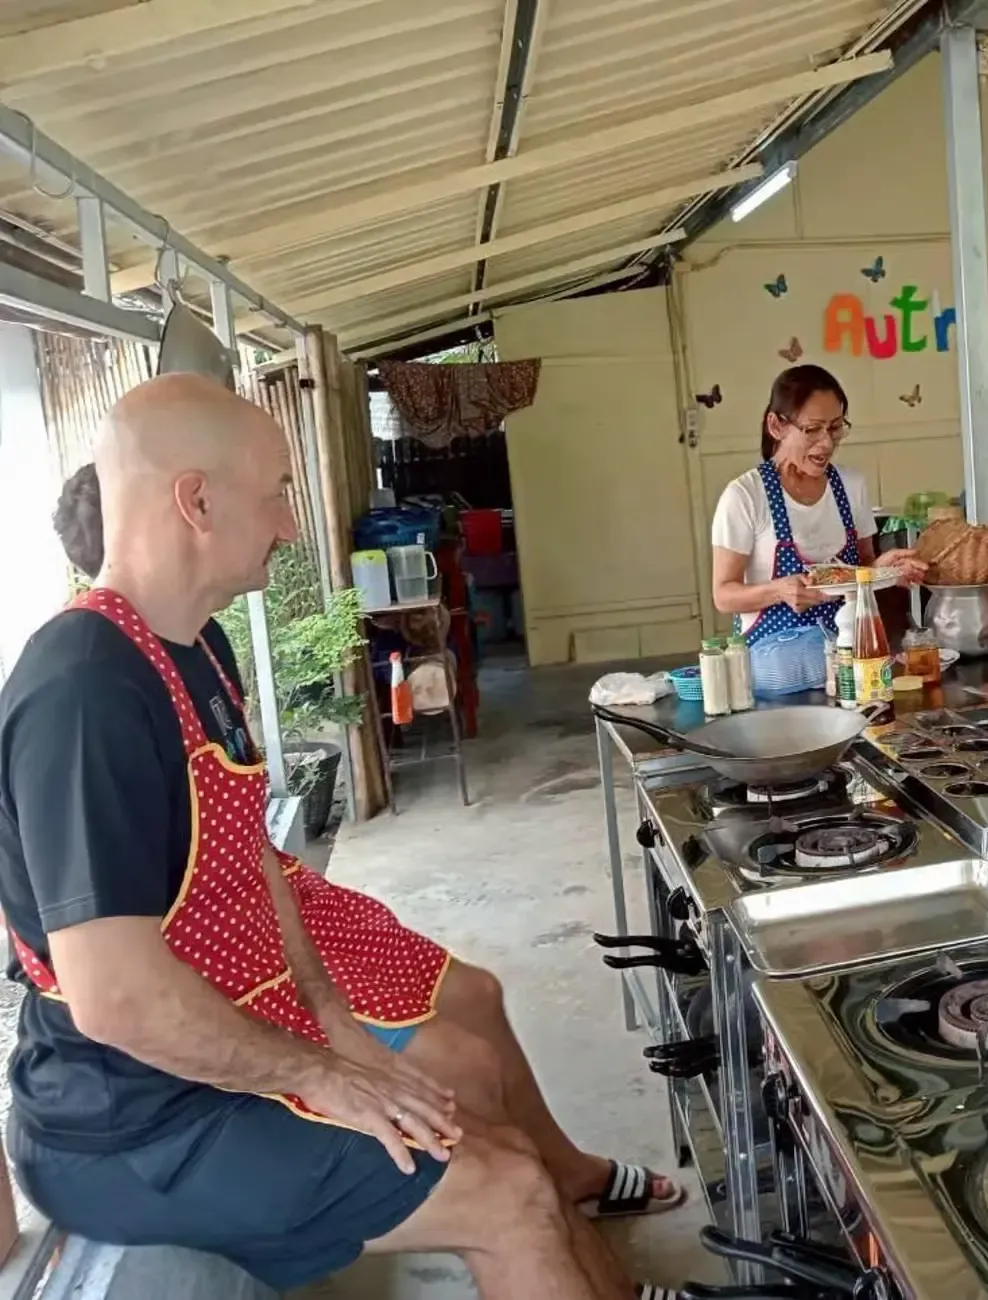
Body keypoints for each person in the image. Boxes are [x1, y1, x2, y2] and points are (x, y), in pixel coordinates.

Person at [2, 380, 680, 1300]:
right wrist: (321, 1076)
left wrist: (331, 1021)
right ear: (196, 501)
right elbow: (119, 1002)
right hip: (132, 1124)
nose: (290, 524)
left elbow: (249, 855)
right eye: (277, 491)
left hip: (208, 1057)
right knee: (506, 1191)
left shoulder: (195, 645)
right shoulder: (84, 691)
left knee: (490, 1118)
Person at [712, 364, 925, 640]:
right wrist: (779, 591)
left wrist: (884, 571)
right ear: (776, 426)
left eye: (835, 427)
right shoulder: (745, 496)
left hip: (852, 655)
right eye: (812, 429)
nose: (826, 443)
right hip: (775, 667)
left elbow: (864, 570)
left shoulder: (851, 486)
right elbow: (724, 595)